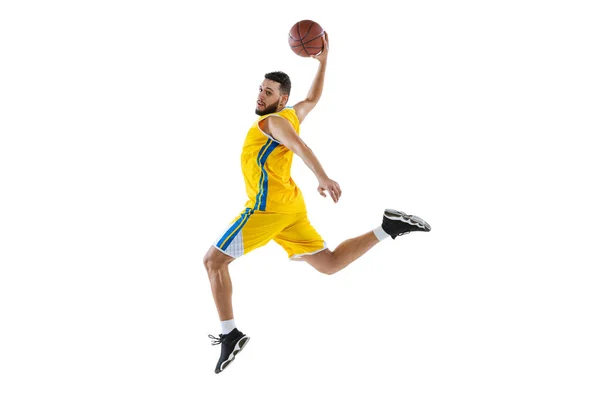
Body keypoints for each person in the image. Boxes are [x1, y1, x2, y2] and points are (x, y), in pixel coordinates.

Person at [204, 33, 431, 374]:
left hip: (267, 211)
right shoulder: (291, 114)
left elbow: (299, 147)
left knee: (213, 262)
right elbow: (312, 98)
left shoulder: (273, 122)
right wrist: (323, 62)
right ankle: (389, 227)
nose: (261, 95)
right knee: (329, 264)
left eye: (268, 92)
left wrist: (322, 177)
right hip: (290, 210)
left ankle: (230, 334)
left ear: (281, 100)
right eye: (261, 89)